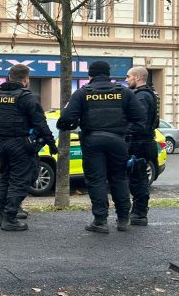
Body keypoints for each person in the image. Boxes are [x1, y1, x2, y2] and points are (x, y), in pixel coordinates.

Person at [58, 61, 144, 233]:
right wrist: (122, 131)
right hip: (118, 141)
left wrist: (75, 122)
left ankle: (100, 221)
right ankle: (122, 219)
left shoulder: (82, 93)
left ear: (90, 75)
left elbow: (66, 118)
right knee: (119, 178)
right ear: (108, 74)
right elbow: (140, 118)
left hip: (92, 140)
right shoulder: (124, 92)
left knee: (96, 180)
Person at [0, 64, 57, 231]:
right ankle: (10, 217)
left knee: (5, 178)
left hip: (1, 143)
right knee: (21, 181)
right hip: (20, 144)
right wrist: (51, 144)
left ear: (9, 77)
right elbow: (41, 124)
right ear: (26, 79)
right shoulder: (27, 97)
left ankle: (2, 214)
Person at [125, 66, 159, 227]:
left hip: (139, 143)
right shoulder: (146, 94)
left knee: (138, 179)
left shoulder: (142, 97)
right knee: (137, 178)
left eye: (128, 77)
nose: (126, 80)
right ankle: (138, 212)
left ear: (137, 78)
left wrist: (122, 130)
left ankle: (139, 214)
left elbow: (140, 123)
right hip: (142, 142)